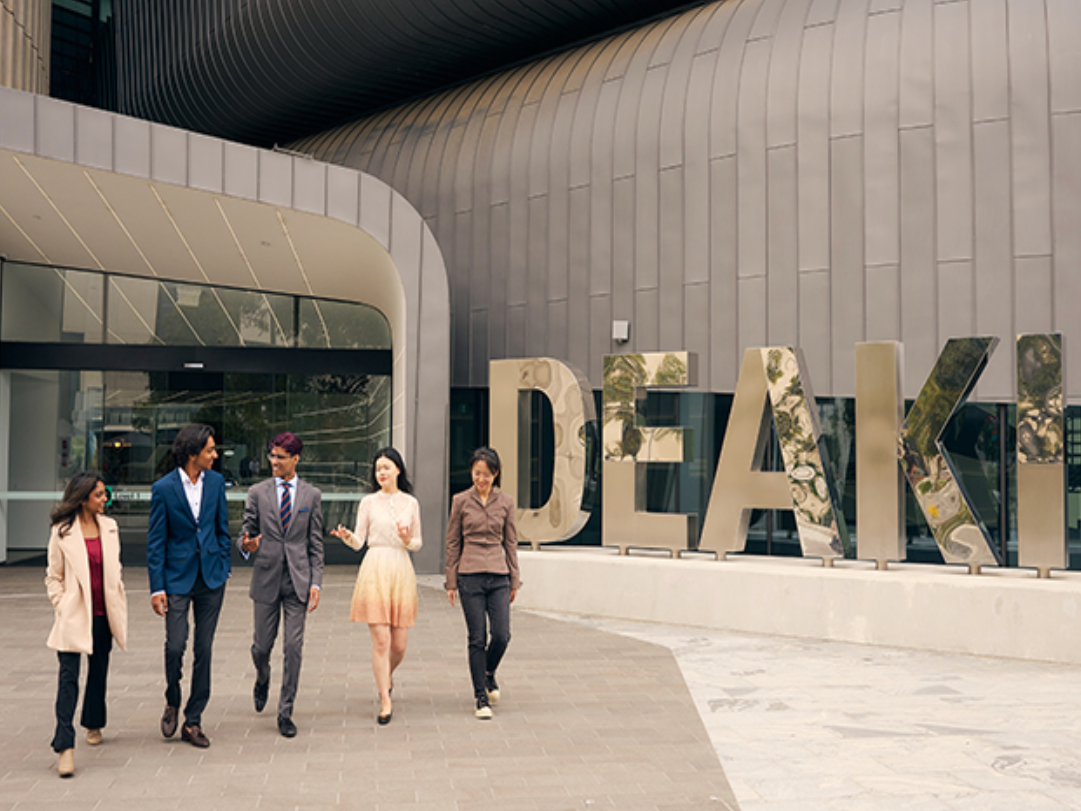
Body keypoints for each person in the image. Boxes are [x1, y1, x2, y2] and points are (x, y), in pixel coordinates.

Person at [147, 423, 231, 748]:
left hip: (211, 578)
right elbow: (156, 542)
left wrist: (223, 563)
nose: (215, 455)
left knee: (204, 649)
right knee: (175, 645)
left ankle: (193, 720)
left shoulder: (216, 482)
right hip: (176, 578)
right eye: (210, 450)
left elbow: (222, 528)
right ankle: (173, 698)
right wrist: (157, 587)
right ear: (193, 453)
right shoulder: (163, 488)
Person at [239, 432, 324, 738]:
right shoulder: (257, 493)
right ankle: (262, 677)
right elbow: (246, 532)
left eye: (280, 457)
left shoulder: (311, 496)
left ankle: (285, 711)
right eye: (272, 456)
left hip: (298, 580)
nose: (273, 462)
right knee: (262, 647)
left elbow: (315, 544)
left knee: (293, 647)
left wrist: (316, 583)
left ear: (295, 459)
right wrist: (246, 545)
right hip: (266, 577)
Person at [45, 472, 128, 778]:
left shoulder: (110, 527)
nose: (105, 499)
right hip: (75, 614)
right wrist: (62, 604)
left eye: (105, 494)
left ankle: (94, 721)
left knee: (98, 670)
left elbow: (114, 568)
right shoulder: (62, 531)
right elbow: (53, 576)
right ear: (82, 499)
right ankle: (65, 746)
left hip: (103, 613)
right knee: (68, 677)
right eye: (99, 495)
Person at [330, 447, 422, 725]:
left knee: (399, 646)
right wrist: (347, 537)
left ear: (398, 470)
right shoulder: (368, 502)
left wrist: (406, 539)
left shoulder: (411, 503)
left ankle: (386, 675)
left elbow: (417, 543)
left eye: (386, 467)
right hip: (375, 567)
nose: (381, 472)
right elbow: (359, 542)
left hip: (400, 568)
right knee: (381, 641)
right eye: (378, 468)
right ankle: (385, 699)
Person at [444, 447, 521, 720]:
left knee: (501, 635)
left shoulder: (506, 502)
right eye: (477, 473)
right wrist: (451, 581)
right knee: (477, 638)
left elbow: (510, 542)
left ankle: (488, 672)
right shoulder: (461, 501)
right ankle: (480, 697)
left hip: (499, 575)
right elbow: (453, 542)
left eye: (486, 474)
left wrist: (514, 578)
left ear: (496, 474)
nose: (481, 479)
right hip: (470, 575)